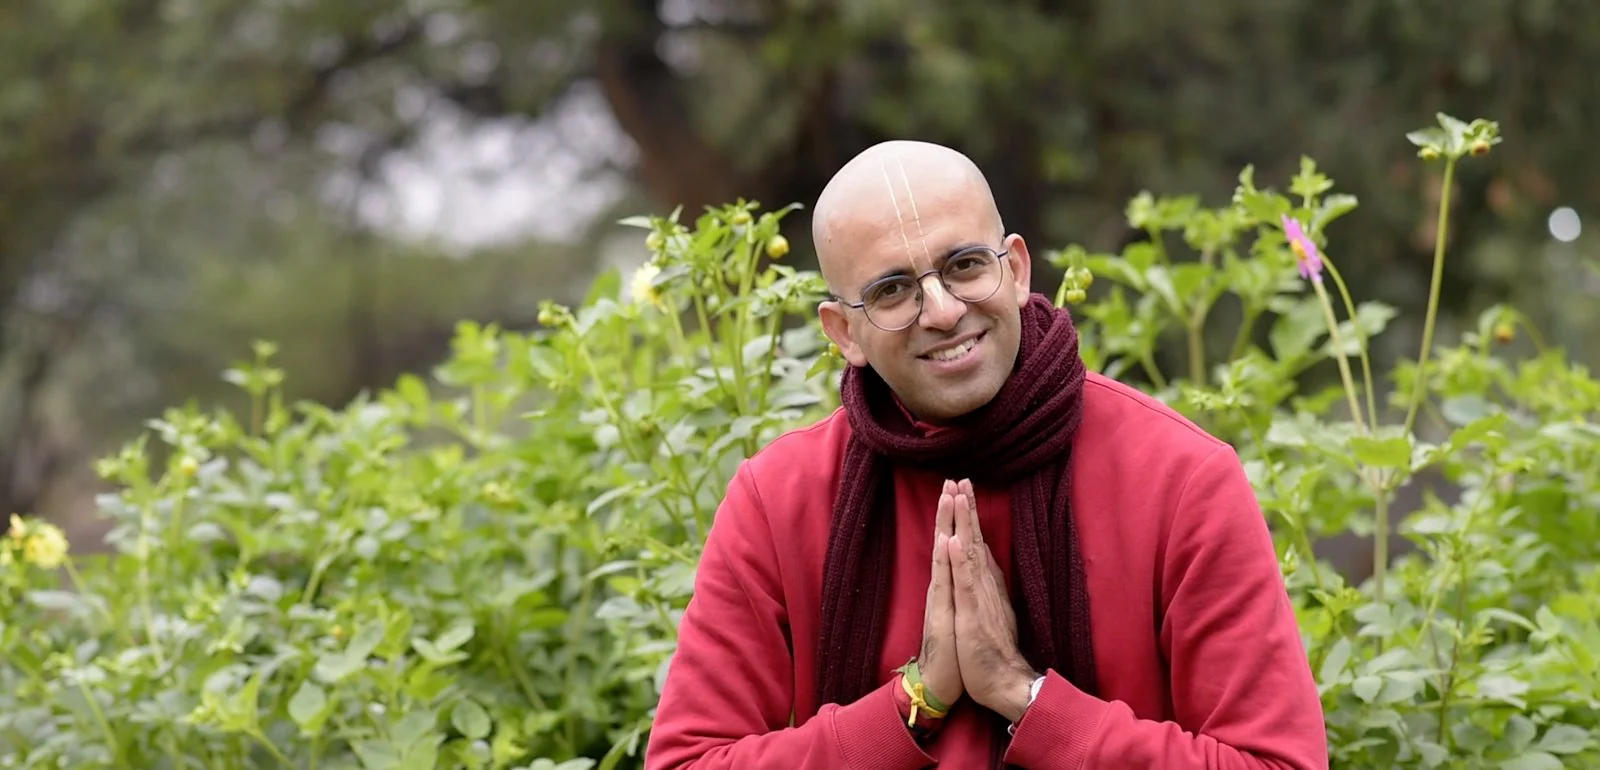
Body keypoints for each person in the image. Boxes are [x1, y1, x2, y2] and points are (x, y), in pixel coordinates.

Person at [643, 140, 1328, 769]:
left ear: (1018, 268)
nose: (942, 311)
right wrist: (915, 700)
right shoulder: (779, 499)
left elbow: (1279, 762)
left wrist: (1026, 697)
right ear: (843, 332)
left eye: (965, 265)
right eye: (892, 290)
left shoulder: (1179, 477)